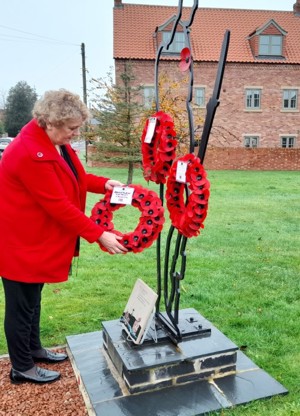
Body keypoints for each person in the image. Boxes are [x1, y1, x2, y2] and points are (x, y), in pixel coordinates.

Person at [0, 89, 127, 385]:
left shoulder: (55, 144)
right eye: (72, 128)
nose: (76, 133)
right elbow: (58, 205)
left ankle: (33, 349)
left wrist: (103, 183)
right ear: (50, 122)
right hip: (20, 244)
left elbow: (76, 178)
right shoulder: (29, 152)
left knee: (33, 300)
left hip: (36, 242)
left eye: (78, 127)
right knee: (20, 306)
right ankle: (21, 367)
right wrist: (100, 235)